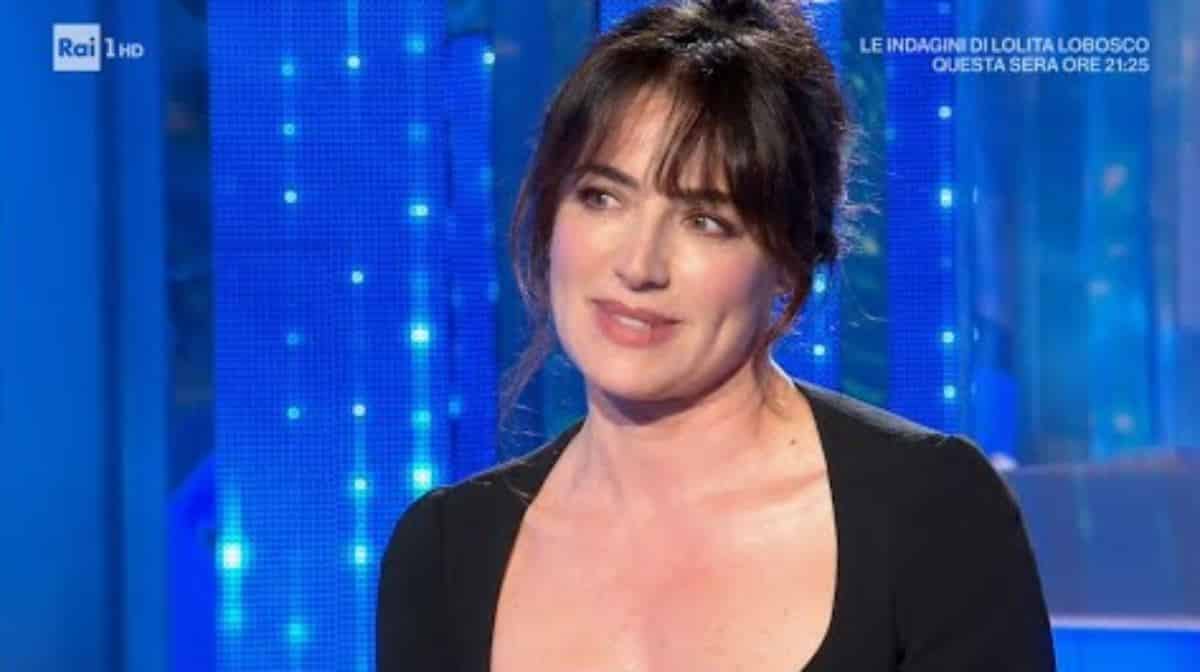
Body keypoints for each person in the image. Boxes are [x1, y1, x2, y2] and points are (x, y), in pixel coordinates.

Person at [377, 0, 1056, 670]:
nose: (638, 265)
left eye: (705, 221)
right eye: (602, 197)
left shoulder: (932, 513)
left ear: (789, 260)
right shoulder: (443, 554)